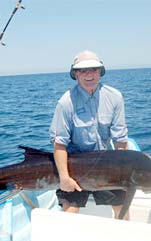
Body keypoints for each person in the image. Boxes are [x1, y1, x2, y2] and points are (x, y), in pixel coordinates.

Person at [49, 50, 129, 219]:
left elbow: (120, 141)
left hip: (107, 164)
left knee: (122, 207)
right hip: (74, 165)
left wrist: (124, 175)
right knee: (70, 210)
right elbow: (59, 145)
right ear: (75, 75)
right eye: (83, 71)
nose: (89, 75)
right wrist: (64, 178)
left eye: (93, 69)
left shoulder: (115, 97)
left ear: (100, 72)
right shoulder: (65, 103)